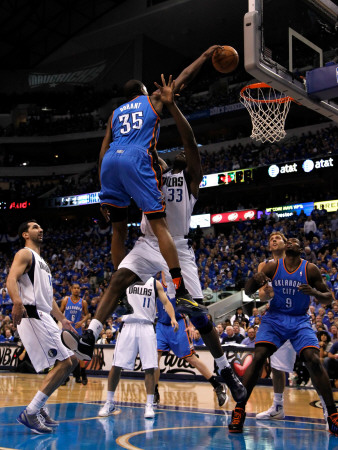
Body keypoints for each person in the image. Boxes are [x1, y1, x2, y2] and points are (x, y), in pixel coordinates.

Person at [62, 76, 246, 403]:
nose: (174, 155)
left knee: (200, 316)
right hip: (149, 242)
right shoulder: (153, 171)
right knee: (118, 279)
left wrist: (172, 106)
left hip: (178, 247)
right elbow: (135, 156)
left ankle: (224, 369)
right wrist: (109, 196)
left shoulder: (191, 179)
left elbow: (189, 143)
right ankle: (89, 335)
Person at [98, 46, 219, 303]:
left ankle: (122, 292)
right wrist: (205, 56)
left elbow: (103, 150)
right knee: (158, 224)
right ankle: (179, 284)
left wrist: (103, 191)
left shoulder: (114, 114)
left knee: (118, 231)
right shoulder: (151, 99)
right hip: (136, 157)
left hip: (110, 162)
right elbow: (182, 78)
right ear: (143, 92)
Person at [228, 237, 338, 435]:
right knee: (259, 356)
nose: (291, 243)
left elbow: (329, 297)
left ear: (301, 249)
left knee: (313, 359)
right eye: (289, 242)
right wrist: (255, 280)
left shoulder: (310, 269)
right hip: (275, 319)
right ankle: (239, 409)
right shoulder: (272, 267)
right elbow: (248, 291)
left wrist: (314, 292)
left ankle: (332, 414)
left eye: (295, 241)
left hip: (299, 320)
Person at [6, 220, 78, 434]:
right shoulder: (24, 253)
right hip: (32, 313)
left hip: (44, 314)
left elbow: (49, 298)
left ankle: (39, 408)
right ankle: (31, 411)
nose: (41, 229)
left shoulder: (41, 262)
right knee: (67, 362)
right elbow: (10, 279)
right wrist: (17, 302)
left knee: (69, 362)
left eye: (40, 227)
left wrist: (62, 319)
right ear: (25, 234)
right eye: (35, 227)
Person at [98, 277, 178, 418]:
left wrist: (173, 317)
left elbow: (165, 301)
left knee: (150, 368)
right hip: (128, 325)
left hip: (147, 326)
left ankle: (149, 404)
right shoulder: (127, 279)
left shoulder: (154, 283)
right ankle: (109, 402)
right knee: (116, 365)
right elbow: (112, 296)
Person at [153, 273, 227, 408]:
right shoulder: (155, 284)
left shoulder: (177, 285)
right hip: (162, 325)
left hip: (179, 323)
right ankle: (154, 391)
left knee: (191, 358)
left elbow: (191, 304)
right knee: (155, 358)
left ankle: (217, 386)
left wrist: (192, 325)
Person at [255, 231, 297, 420]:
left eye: (278, 237)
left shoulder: (295, 262)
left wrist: (277, 290)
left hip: (298, 315)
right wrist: (272, 293)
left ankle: (329, 410)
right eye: (271, 238)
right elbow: (262, 296)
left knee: (312, 359)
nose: (273, 239)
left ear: (286, 243)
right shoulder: (264, 266)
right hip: (277, 316)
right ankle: (278, 406)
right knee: (277, 365)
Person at [60, 283, 90, 385]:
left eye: (78, 288)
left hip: (78, 331)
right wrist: (63, 320)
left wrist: (82, 322)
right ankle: (65, 377)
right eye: (75, 288)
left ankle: (83, 375)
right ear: (71, 289)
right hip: (66, 330)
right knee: (66, 355)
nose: (76, 290)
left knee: (79, 354)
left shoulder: (83, 302)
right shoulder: (66, 300)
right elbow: (60, 313)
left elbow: (88, 314)